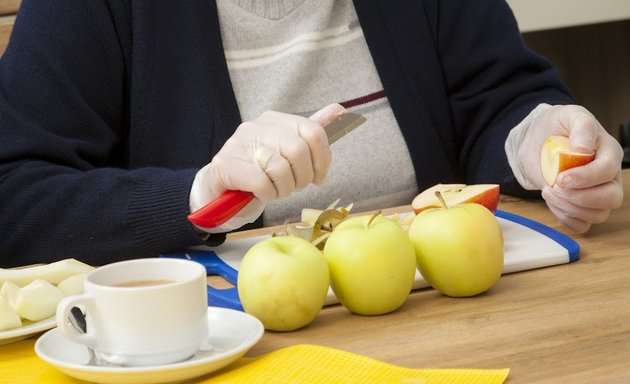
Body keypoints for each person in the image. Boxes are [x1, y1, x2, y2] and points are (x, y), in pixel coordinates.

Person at [0, 0, 623, 268]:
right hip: (218, 352)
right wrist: (196, 197)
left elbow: (499, 97)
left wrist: (537, 136)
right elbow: (14, 197)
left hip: (446, 317)